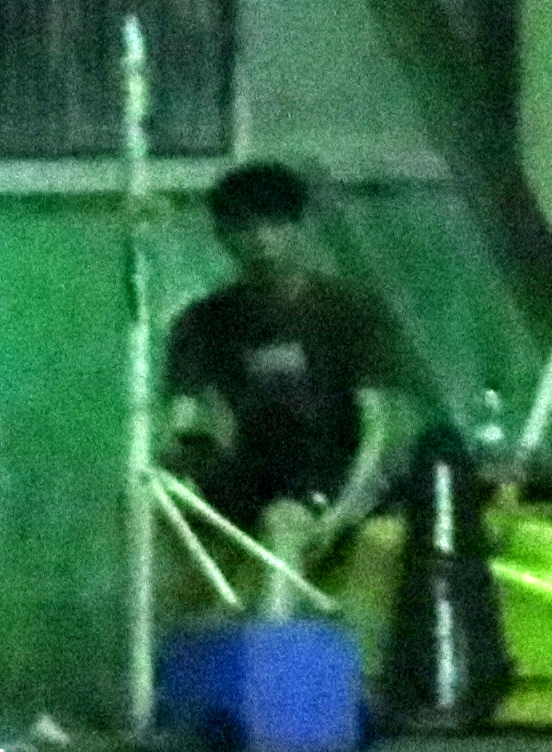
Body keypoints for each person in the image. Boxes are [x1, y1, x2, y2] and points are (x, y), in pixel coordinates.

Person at [156, 162, 423, 576]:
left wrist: (344, 511)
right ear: (223, 236)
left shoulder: (350, 312)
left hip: (328, 470)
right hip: (247, 474)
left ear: (300, 228)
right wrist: (176, 477)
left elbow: (378, 429)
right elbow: (183, 421)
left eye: (274, 224)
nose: (261, 239)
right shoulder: (202, 321)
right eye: (245, 227)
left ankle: (276, 619)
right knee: (144, 512)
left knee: (282, 523)